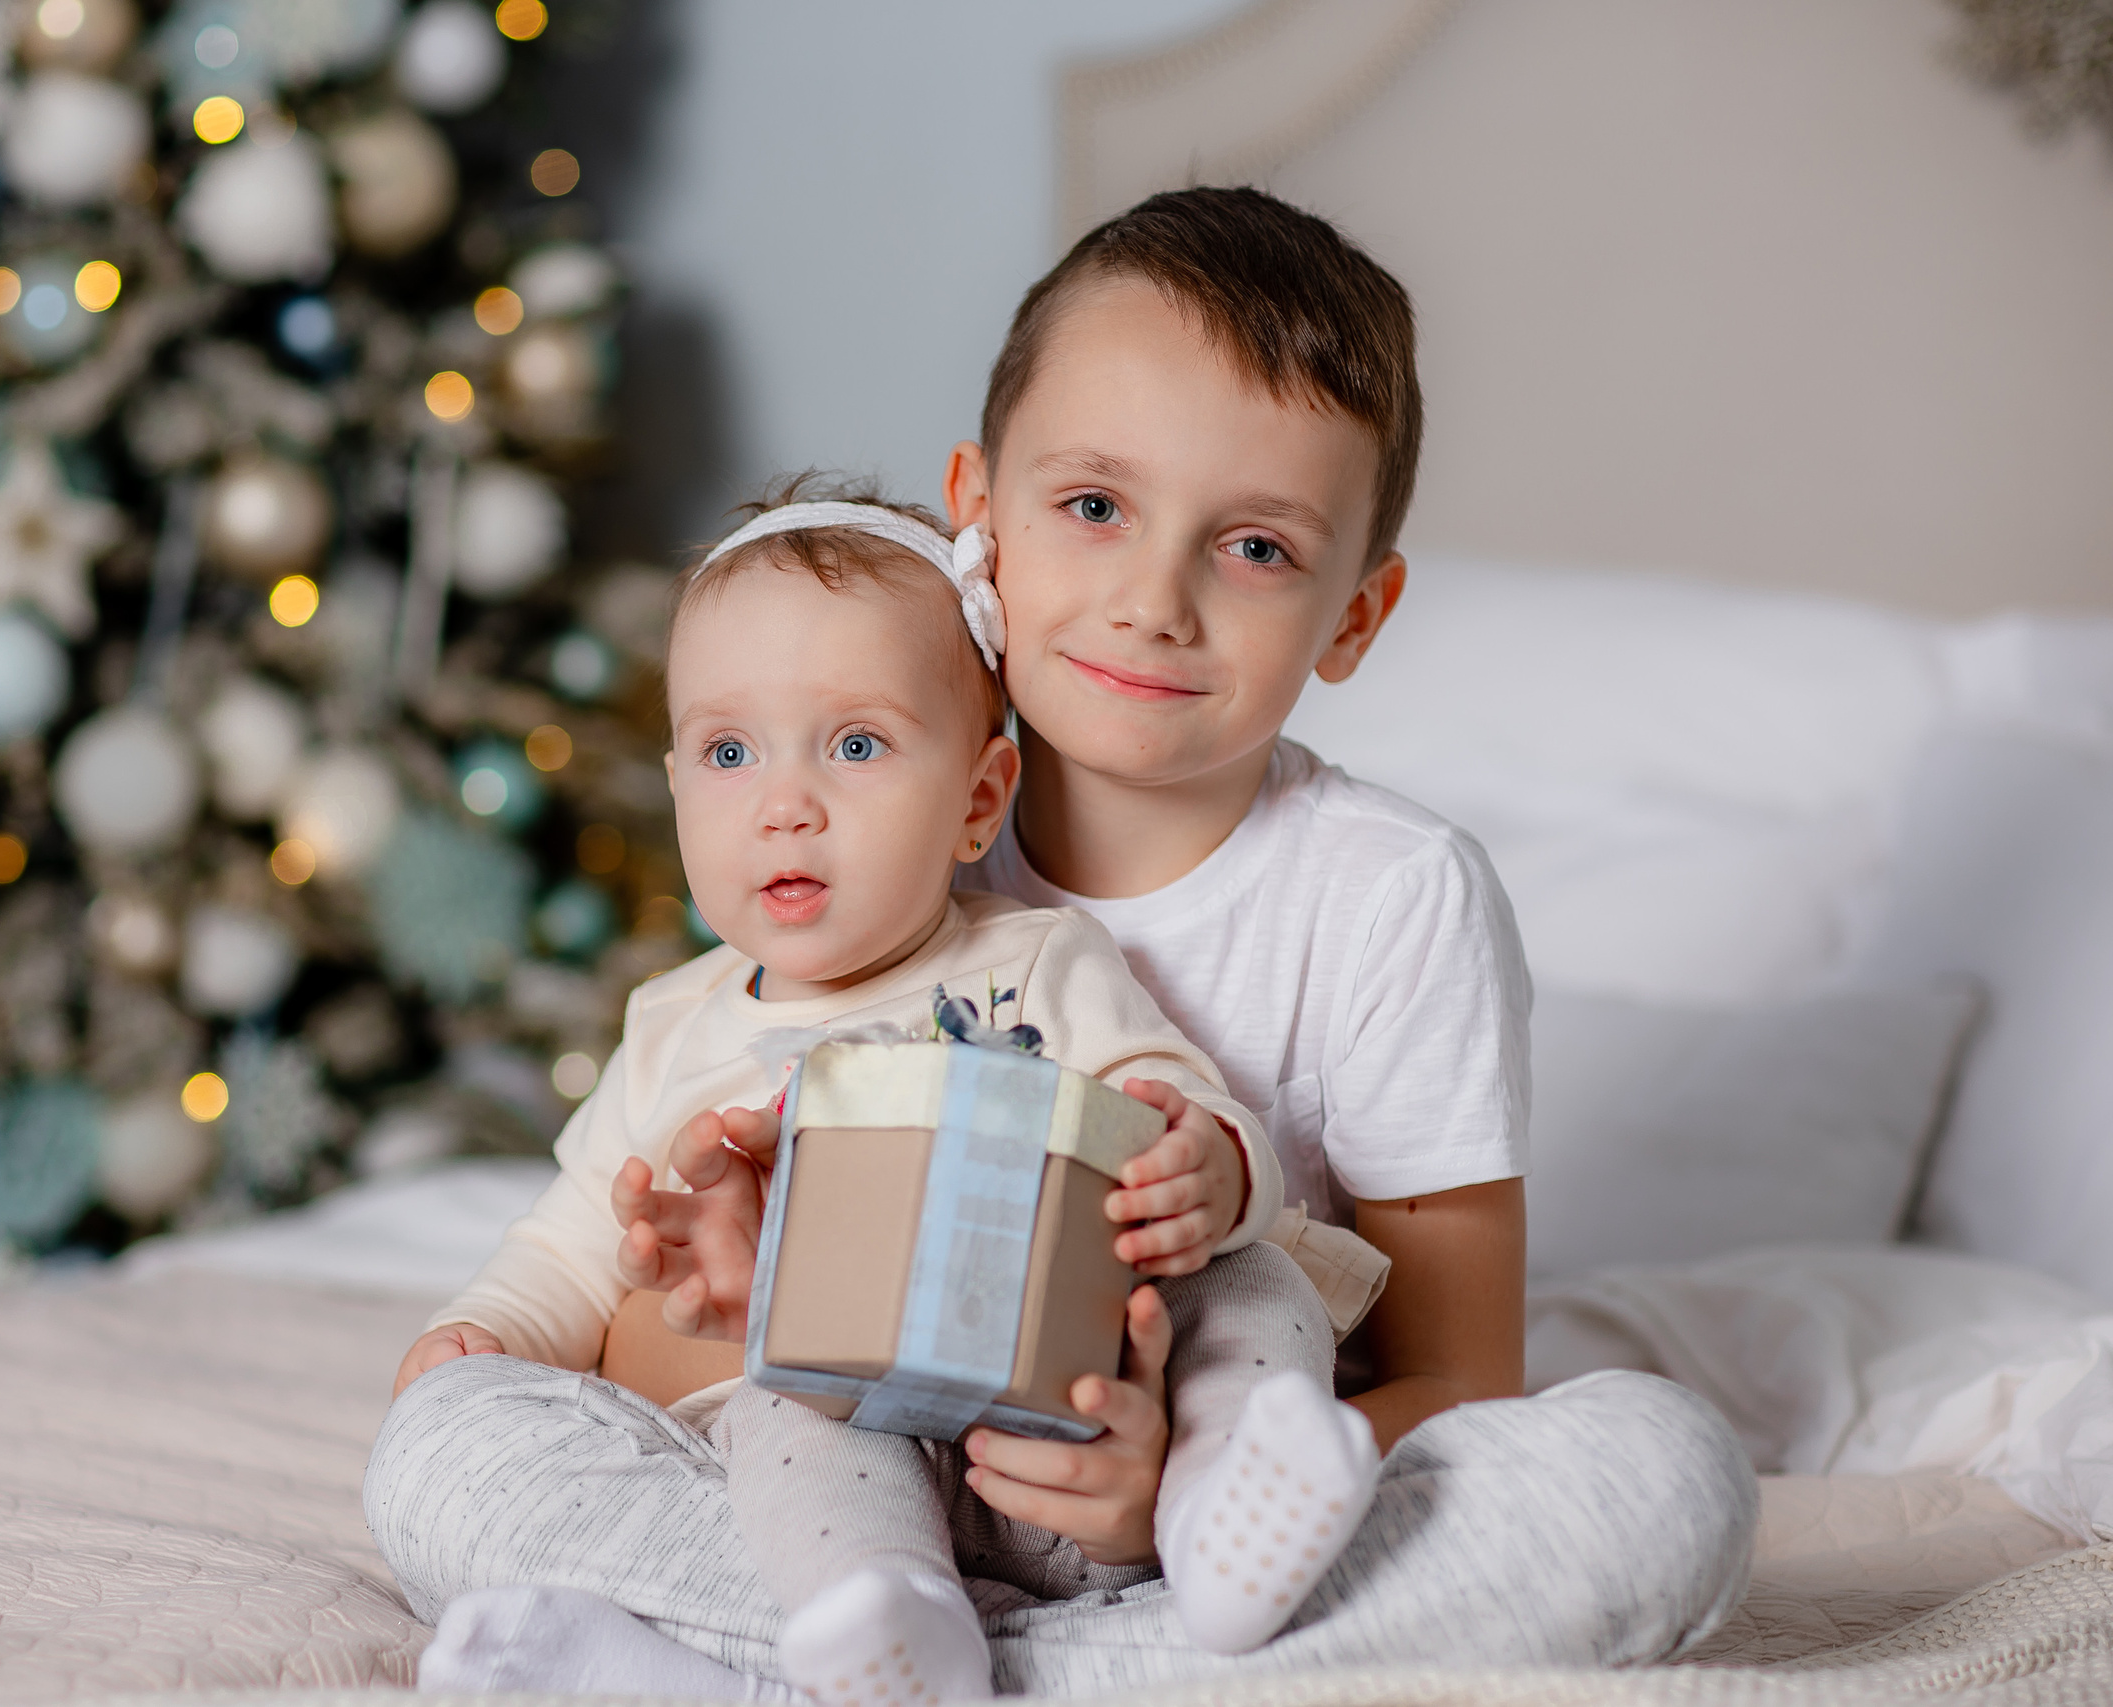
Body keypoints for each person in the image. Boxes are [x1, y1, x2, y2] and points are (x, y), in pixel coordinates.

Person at [367, 187, 1757, 1695]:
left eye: (1257, 548)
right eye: (1094, 506)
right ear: (981, 516)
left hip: (1207, 1507)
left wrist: (1161, 1485)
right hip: (822, 1492)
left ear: (1355, 616)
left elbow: (1463, 1381)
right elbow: (629, 1309)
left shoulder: (1390, 896)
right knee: (445, 1454)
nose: (1153, 602)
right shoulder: (852, 806)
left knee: (1663, 1480)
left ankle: (823, 1667)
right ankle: (947, 1644)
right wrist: (722, 1307)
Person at [380, 488, 1392, 1700]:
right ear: (676, 783)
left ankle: (1234, 1505)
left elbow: (1161, 1089)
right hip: (818, 1474)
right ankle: (888, 1620)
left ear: (977, 798)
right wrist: (488, 1336)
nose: (785, 800)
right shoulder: (672, 1029)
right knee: (769, 1383)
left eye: (855, 746)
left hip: (1054, 1438)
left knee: (1252, 1271)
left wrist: (1208, 1165)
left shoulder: (1033, 961)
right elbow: (576, 1234)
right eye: (727, 751)